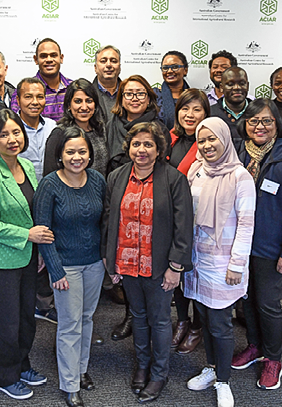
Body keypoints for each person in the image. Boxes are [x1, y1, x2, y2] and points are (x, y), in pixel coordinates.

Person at [101, 122, 193, 403]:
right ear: (128, 147)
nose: (142, 150)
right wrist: (110, 260)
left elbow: (184, 226)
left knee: (161, 319)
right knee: (138, 317)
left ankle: (159, 373)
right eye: (136, 144)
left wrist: (176, 267)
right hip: (127, 263)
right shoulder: (117, 177)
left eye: (148, 144)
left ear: (159, 149)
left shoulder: (174, 180)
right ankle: (142, 365)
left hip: (159, 266)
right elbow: (108, 220)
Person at [231, 98, 282, 391]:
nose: (260, 127)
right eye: (253, 121)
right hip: (240, 246)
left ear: (276, 123)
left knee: (268, 305)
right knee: (247, 302)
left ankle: (273, 359)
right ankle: (255, 347)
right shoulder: (238, 154)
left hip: (272, 249)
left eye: (266, 121)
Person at [0, 109, 53, 400]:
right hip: (1, 259)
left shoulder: (26, 167)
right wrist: (26, 236)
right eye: (3, 134)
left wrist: (38, 245)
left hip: (28, 256)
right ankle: (5, 377)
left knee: (26, 318)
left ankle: (22, 364)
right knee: (6, 321)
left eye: (16, 132)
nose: (11, 139)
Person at [184, 117, 255, 407]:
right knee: (203, 317)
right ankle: (211, 369)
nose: (207, 145)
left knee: (221, 324)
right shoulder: (195, 169)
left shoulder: (241, 177)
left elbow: (246, 225)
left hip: (224, 262)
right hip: (197, 259)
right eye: (202, 140)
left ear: (225, 139)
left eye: (213, 138)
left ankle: (224, 381)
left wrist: (236, 264)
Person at [34, 127, 107, 407]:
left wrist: (104, 259)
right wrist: (55, 269)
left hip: (93, 265)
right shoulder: (50, 184)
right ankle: (69, 383)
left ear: (89, 154)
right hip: (66, 267)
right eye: (70, 152)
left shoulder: (98, 180)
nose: (76, 157)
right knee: (69, 325)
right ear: (60, 155)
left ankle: (81, 369)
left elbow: (103, 223)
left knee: (87, 318)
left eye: (82, 151)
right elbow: (43, 231)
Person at [167, 89, 210, 355]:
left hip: (199, 220)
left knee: (198, 277)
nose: (190, 115)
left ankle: (197, 326)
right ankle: (182, 320)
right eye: (185, 109)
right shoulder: (169, 139)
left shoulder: (209, 142)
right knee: (177, 274)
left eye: (197, 110)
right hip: (171, 218)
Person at [44, 79, 108, 177]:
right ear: (69, 105)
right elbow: (50, 175)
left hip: (99, 189)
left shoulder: (100, 129)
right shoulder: (59, 134)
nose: (84, 107)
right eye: (78, 101)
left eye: (89, 101)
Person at [107, 75, 170, 172]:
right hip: (115, 182)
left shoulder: (160, 129)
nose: (135, 98)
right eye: (129, 94)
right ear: (121, 99)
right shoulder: (111, 126)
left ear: (148, 99)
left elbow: (163, 165)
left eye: (140, 94)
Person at [11, 38, 72, 121]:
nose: (49, 60)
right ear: (36, 59)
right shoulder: (24, 90)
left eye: (53, 55)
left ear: (61, 58)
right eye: (43, 56)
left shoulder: (73, 88)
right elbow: (15, 123)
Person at [17, 77, 57, 183]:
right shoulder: (11, 129)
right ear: (18, 100)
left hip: (50, 189)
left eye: (40, 97)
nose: (35, 102)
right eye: (28, 97)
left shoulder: (52, 127)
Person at [210, 67, 251, 153]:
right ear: (221, 87)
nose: (237, 88)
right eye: (230, 84)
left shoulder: (258, 113)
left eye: (242, 83)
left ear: (247, 86)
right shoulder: (210, 114)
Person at [153, 51, 190, 130]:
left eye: (175, 67)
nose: (169, 71)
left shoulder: (194, 96)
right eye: (165, 68)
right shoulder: (153, 95)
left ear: (185, 70)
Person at [93, 45, 122, 123]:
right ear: (95, 68)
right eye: (103, 61)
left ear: (119, 67)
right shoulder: (88, 93)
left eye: (113, 61)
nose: (108, 65)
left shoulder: (129, 94)